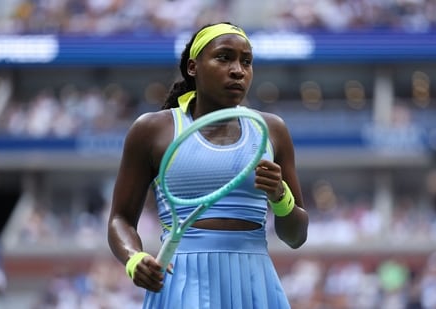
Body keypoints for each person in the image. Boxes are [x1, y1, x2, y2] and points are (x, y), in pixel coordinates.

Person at [107, 22, 309, 308]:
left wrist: (280, 196)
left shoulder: (273, 129)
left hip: (255, 283)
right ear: (193, 67)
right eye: (224, 57)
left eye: (246, 61)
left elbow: (296, 236)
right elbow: (121, 219)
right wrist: (134, 258)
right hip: (180, 283)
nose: (238, 70)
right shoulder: (151, 130)